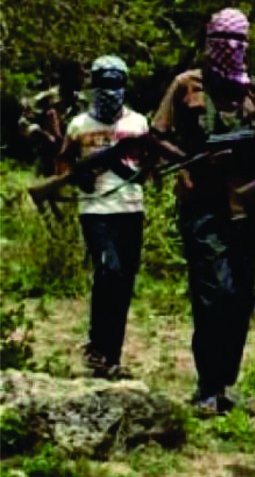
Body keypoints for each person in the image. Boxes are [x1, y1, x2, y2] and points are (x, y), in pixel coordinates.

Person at [153, 7, 255, 416]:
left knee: (241, 295)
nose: (232, 47)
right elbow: (157, 135)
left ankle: (227, 382)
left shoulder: (251, 89)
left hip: (244, 203)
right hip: (202, 204)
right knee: (213, 294)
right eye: (224, 39)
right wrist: (191, 160)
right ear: (209, 40)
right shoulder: (186, 84)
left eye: (240, 39)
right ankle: (207, 385)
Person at [59, 55, 148, 380]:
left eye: (116, 84)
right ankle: (97, 344)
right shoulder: (79, 125)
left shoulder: (138, 124)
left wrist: (122, 163)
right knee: (109, 270)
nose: (111, 91)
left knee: (123, 282)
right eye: (104, 84)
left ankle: (111, 356)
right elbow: (64, 163)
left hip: (130, 208)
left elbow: (145, 169)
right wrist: (80, 175)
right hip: (95, 210)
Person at [21, 60, 88, 175]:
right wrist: (44, 136)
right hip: (48, 162)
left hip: (75, 163)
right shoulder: (45, 99)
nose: (84, 79)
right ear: (69, 76)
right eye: (80, 75)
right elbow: (24, 123)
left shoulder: (82, 101)